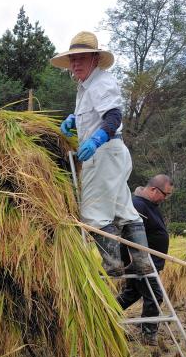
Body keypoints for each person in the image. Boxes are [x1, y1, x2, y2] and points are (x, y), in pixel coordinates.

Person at [51, 31, 150, 277]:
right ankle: (143, 262)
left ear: (95, 59)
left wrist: (96, 139)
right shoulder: (87, 87)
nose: (75, 65)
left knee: (94, 211)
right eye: (73, 60)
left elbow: (114, 117)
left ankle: (113, 265)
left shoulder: (100, 83)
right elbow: (98, 112)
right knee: (123, 207)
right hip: (114, 154)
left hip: (104, 152)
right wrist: (76, 118)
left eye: (81, 59)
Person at [117, 175, 173, 343]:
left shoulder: (149, 205)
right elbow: (130, 235)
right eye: (165, 194)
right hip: (141, 262)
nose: (165, 198)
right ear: (153, 189)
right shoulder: (138, 205)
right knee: (155, 296)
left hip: (147, 262)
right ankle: (148, 335)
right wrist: (140, 262)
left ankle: (105, 314)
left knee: (132, 294)